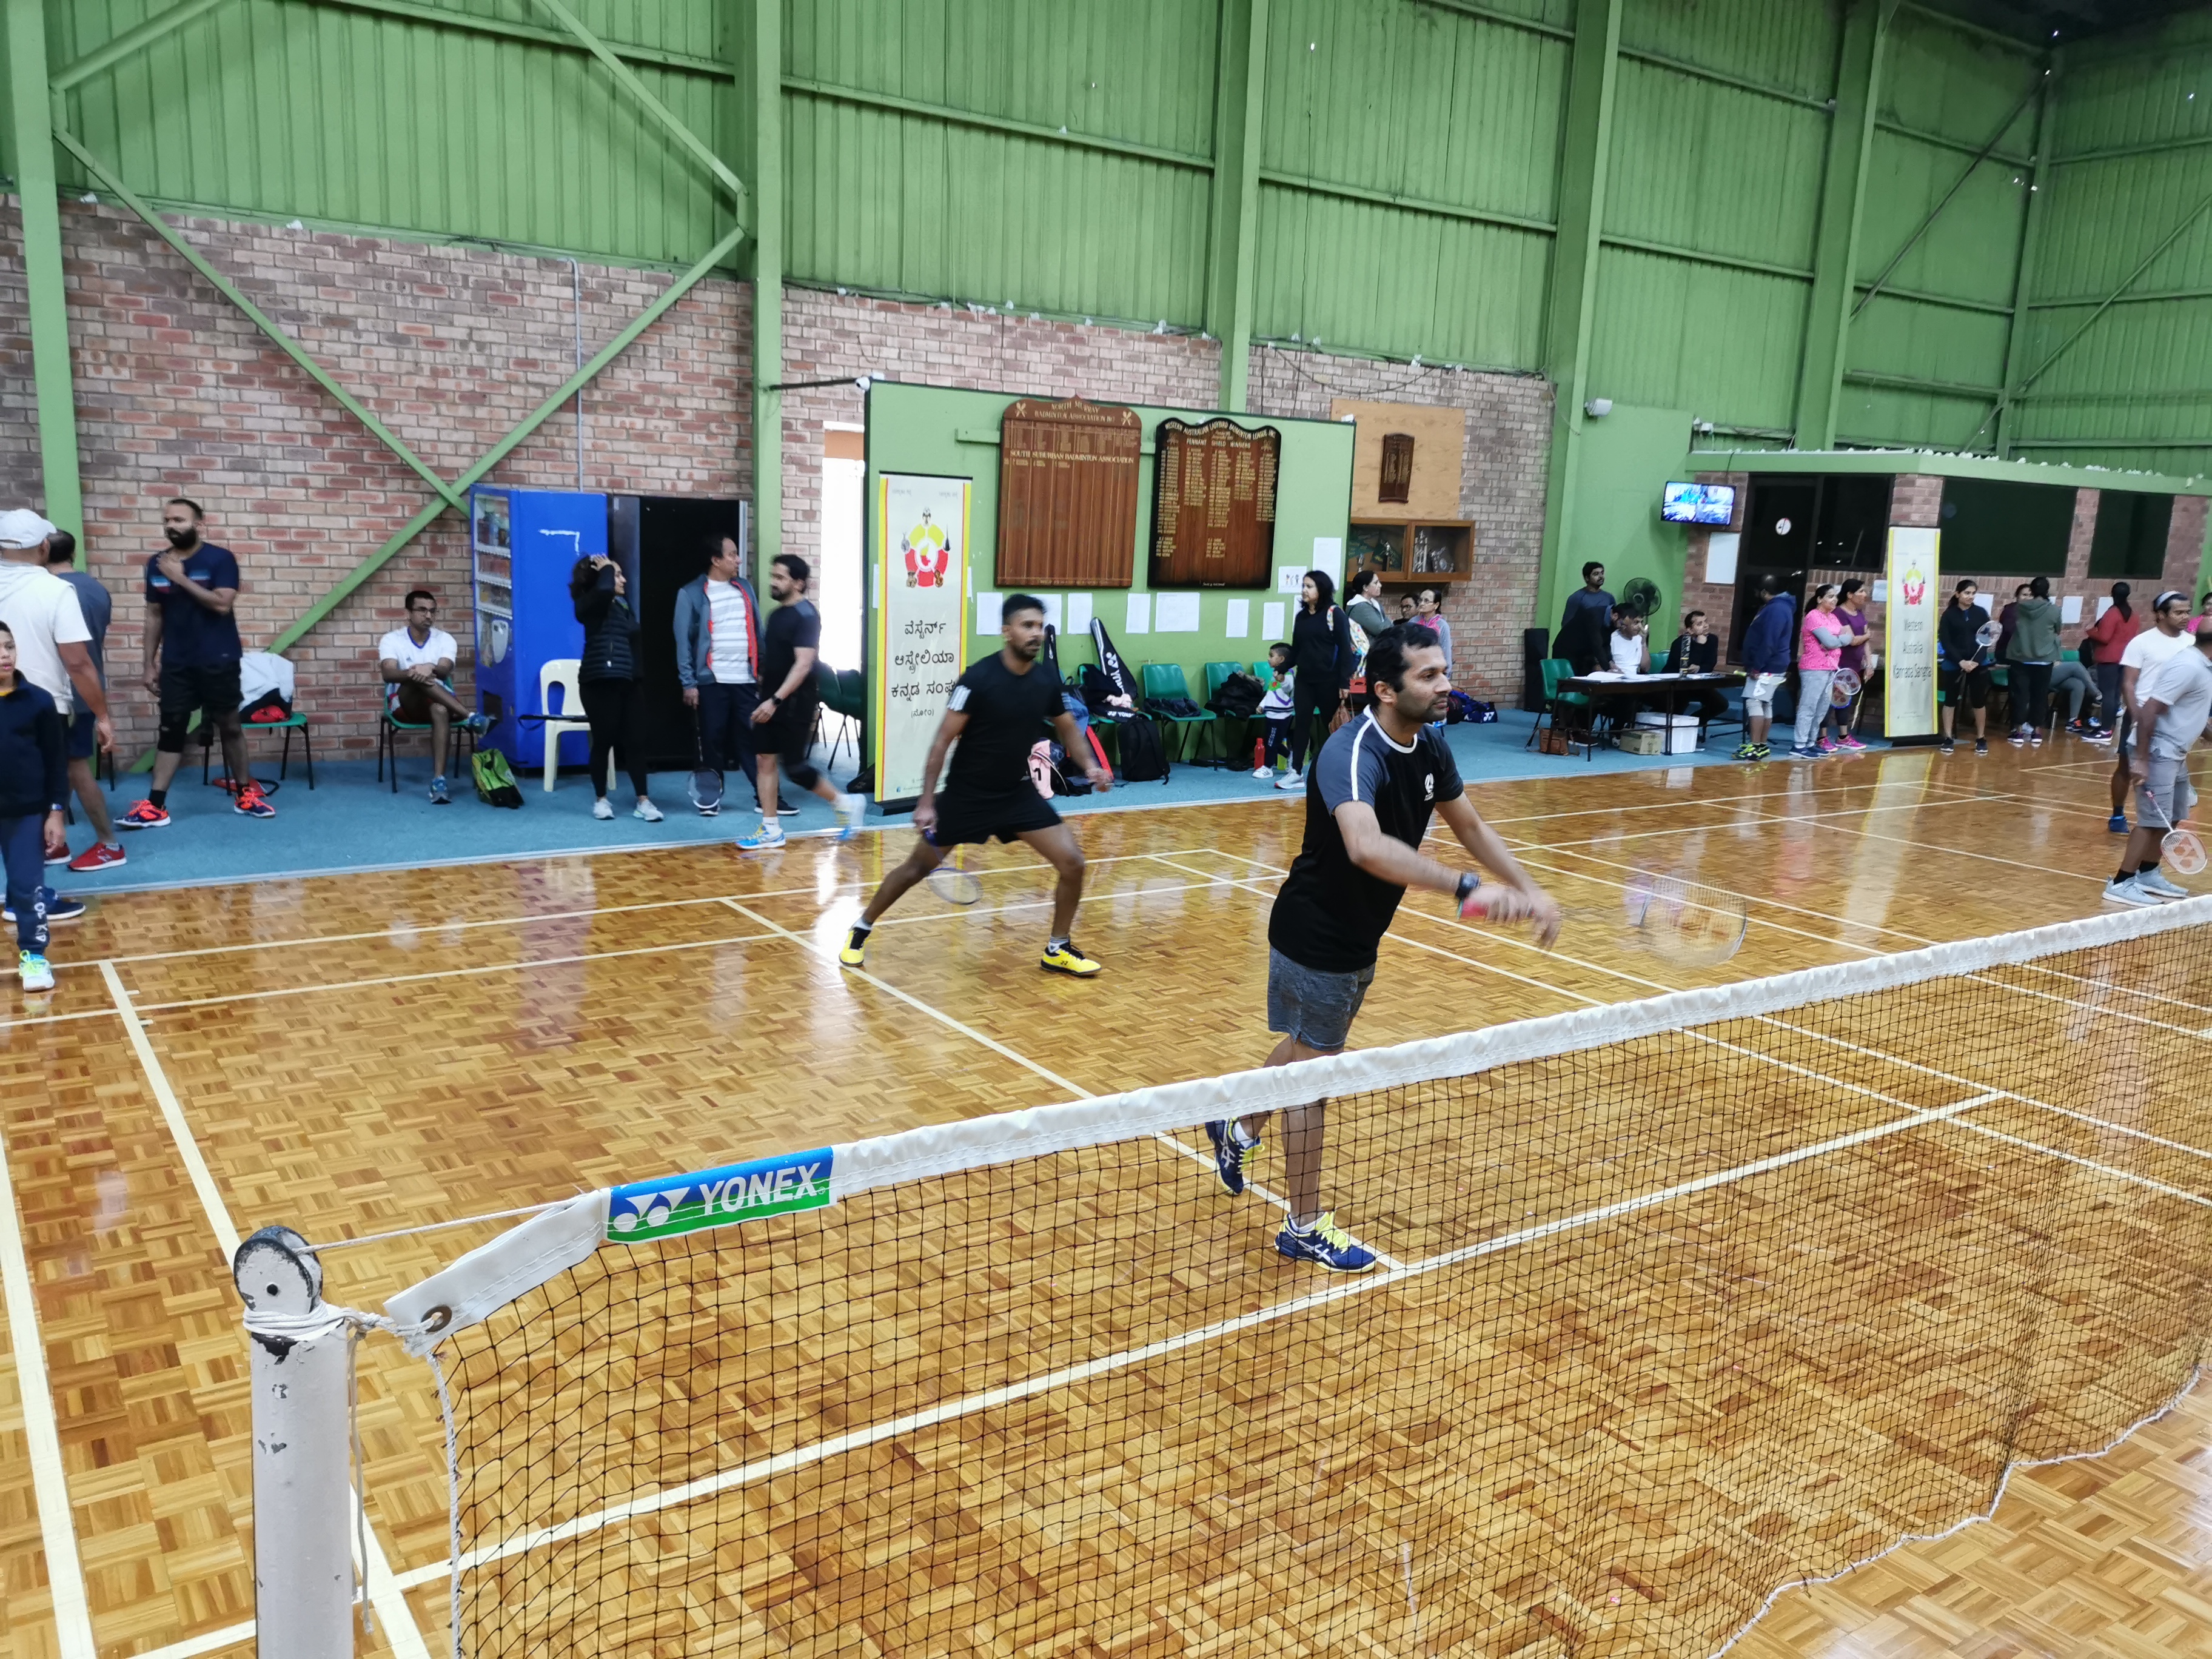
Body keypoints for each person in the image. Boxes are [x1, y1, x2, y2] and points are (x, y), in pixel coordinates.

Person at [1202, 623, 1560, 1272]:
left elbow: (1470, 824)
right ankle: (1303, 1226)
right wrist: (1467, 888)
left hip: (1360, 932)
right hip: (1317, 934)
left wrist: (1529, 889)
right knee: (1315, 1077)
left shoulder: (1430, 745)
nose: (1446, 684)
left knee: (1308, 1047)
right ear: (1387, 690)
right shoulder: (1351, 751)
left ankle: (1238, 1127)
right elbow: (1365, 847)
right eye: (1429, 675)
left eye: (1444, 671)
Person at [838, 594, 1110, 976]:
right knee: (916, 869)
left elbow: (1067, 729)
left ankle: (1057, 948)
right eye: (1027, 626)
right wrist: (926, 802)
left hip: (1016, 794)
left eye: (1040, 626)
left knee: (1073, 863)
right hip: (967, 797)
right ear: (1007, 631)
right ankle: (861, 928)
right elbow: (941, 742)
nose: (1036, 633)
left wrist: (1092, 766)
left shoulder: (1045, 679)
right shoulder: (978, 679)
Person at [120, 498, 266, 826]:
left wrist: (180, 578)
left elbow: (222, 604)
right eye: (167, 520)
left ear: (199, 523)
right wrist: (148, 664)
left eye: (179, 520)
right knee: (171, 729)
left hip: (219, 658)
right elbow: (154, 615)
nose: (171, 526)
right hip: (177, 663)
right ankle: (155, 806)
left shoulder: (220, 559)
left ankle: (245, 795)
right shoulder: (156, 564)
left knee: (230, 726)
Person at [0, 514, 112, 908]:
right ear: (44, 547)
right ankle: (28, 898)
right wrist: (102, 716)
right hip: (39, 707)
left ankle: (22, 890)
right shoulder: (56, 590)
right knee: (37, 799)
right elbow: (78, 663)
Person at [736, 554, 865, 851]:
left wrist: (775, 701)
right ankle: (771, 829)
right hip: (769, 700)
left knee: (795, 768)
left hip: (793, 703)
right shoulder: (776, 615)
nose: (773, 582)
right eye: (774, 576)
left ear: (799, 583)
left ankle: (846, 803)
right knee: (764, 759)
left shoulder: (807, 616)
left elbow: (803, 664)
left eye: (780, 578)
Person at [2107, 614, 2212, 906]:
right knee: (2152, 821)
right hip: (2157, 752)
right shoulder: (2188, 666)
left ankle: (2148, 873)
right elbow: (2151, 710)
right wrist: (2141, 758)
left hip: (2176, 753)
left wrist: (2207, 733)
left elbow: (2188, 709)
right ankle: (2121, 882)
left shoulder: (2204, 665)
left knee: (2173, 815)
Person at [40, 532, 124, 873]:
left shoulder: (50, 590)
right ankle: (56, 841)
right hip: (84, 689)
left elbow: (75, 656)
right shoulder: (97, 589)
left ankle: (110, 844)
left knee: (74, 766)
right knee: (63, 766)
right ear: (73, 553)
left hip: (68, 691)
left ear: (42, 551)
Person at [672, 533, 771, 818]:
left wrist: (761, 669)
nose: (738, 560)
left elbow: (758, 630)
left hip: (745, 680)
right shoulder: (690, 593)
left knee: (753, 740)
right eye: (732, 555)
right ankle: (710, 798)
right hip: (711, 682)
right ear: (716, 560)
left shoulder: (745, 588)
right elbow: (683, 642)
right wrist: (689, 683)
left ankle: (766, 797)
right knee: (711, 741)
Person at [569, 554, 662, 823]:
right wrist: (608, 569)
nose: (623, 580)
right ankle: (601, 800)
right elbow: (603, 590)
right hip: (598, 682)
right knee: (603, 741)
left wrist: (638, 679)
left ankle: (643, 801)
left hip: (628, 682)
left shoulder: (622, 604)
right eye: (617, 574)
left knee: (636, 742)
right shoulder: (588, 604)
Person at [378, 589, 489, 805]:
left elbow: (444, 671)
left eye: (432, 611)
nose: (428, 616)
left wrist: (430, 667)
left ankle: (439, 781)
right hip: (404, 704)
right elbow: (389, 674)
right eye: (422, 610)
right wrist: (416, 671)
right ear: (408, 613)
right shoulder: (392, 640)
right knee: (417, 678)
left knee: (440, 709)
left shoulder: (445, 639)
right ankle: (471, 717)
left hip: (439, 702)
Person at [0, 621, 64, 993]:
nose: (4, 655)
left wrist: (55, 813)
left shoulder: (39, 701)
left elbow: (56, 763)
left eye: (9, 646)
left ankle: (34, 957)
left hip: (26, 813)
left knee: (27, 888)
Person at [2107, 589, 2196, 833]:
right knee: (2126, 766)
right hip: (2142, 714)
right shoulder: (2141, 643)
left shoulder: (2191, 644)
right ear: (2160, 615)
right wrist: (2136, 713)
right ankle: (2117, 815)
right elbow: (2129, 683)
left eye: (2187, 612)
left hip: (2175, 719)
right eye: (2178, 612)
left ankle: (2162, 824)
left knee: (2171, 767)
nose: (2185, 617)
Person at [1276, 570, 1354, 792]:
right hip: (1305, 681)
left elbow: (1346, 651)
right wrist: (1282, 668)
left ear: (1322, 589)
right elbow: (1296, 650)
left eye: (1309, 586)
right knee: (1301, 724)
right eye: (1303, 586)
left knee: (1331, 727)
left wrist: (1344, 683)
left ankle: (1340, 770)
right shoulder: (1301, 617)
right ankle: (1296, 772)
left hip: (1329, 681)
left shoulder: (1335, 614)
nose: (1304, 590)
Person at [1737, 573, 1795, 762]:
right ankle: (1761, 746)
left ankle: (1755, 747)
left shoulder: (1776, 609)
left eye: (1757, 592)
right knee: (1765, 702)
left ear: (1763, 592)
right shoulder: (1782, 606)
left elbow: (1769, 640)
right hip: (1774, 663)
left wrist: (1756, 666)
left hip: (1767, 664)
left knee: (1754, 701)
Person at [1792, 583, 1849, 760]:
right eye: (1830, 596)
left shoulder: (1833, 617)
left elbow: (1849, 636)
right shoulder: (1813, 616)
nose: (1834, 600)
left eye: (1835, 596)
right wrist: (1837, 640)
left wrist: (1836, 640)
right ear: (1819, 599)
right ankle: (1799, 744)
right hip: (1814, 669)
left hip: (1831, 668)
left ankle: (1811, 743)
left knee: (1822, 707)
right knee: (1809, 706)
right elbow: (1832, 642)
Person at [1937, 579, 1992, 756]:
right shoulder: (1949, 615)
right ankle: (1948, 738)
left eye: (1973, 593)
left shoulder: (1981, 613)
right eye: (1967, 593)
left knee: (1978, 701)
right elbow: (1946, 641)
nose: (1970, 596)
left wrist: (1976, 661)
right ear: (1958, 594)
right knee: (1950, 700)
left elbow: (1986, 640)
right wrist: (1960, 661)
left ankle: (1981, 738)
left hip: (1978, 664)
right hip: (1954, 663)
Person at [2082, 582, 2140, 748]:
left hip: (2109, 659)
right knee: (2115, 695)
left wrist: (2090, 630)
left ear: (2112, 594)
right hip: (2125, 658)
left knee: (2108, 695)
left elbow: (2105, 637)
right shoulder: (2133, 615)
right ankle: (2109, 728)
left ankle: (2105, 730)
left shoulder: (2113, 613)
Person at [2006, 575, 2060, 746]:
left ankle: (2019, 731)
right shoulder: (2054, 610)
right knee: (2040, 696)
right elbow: (2058, 630)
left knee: (2020, 695)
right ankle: (2037, 732)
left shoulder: (2019, 608)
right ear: (2047, 590)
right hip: (2044, 659)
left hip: (2021, 658)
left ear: (2032, 590)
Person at [1822, 578, 1872, 752]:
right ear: (1850, 595)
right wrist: (1867, 636)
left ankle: (1843, 737)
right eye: (1861, 591)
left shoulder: (1859, 614)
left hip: (1854, 666)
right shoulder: (1839, 613)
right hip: (1839, 664)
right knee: (1830, 701)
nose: (1865, 595)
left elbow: (1865, 642)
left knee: (1844, 701)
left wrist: (1869, 663)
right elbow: (1852, 640)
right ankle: (1822, 737)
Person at [1661, 608, 1729, 725]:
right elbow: (1687, 667)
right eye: (1699, 624)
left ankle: (1691, 725)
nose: (1705, 626)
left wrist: (1699, 669)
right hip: (1676, 684)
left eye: (1706, 622)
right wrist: (1699, 645)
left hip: (1696, 684)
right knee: (1680, 702)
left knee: (1721, 704)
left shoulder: (1712, 640)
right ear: (1690, 630)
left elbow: (1710, 664)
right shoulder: (1680, 643)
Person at [1555, 560, 1614, 674]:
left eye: (1602, 573)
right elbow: (1567, 624)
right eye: (1596, 574)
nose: (1601, 577)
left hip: (1597, 649)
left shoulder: (1609, 598)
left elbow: (1611, 623)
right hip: (1577, 649)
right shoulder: (1577, 598)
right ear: (1587, 578)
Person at [1252, 640, 1295, 778]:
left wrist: (1282, 680)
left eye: (1272, 656)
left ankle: (1268, 768)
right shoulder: (1274, 675)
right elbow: (1271, 693)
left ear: (1281, 659)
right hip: (1271, 713)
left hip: (1281, 715)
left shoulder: (1288, 674)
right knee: (1270, 741)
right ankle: (1290, 755)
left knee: (1272, 742)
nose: (1268, 659)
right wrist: (1262, 705)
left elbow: (1288, 687)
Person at [1344, 569, 1391, 644]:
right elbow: (1381, 629)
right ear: (1365, 587)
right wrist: (1390, 622)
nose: (1380, 585)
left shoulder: (1372, 603)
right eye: (1376, 583)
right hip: (1368, 648)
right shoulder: (1360, 607)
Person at [1414, 586, 1454, 668]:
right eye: (1420, 600)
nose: (1422, 604)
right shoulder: (1413, 621)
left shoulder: (1442, 625)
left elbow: (1446, 651)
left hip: (1434, 667)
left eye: (1426, 601)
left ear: (1436, 605)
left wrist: (1446, 672)